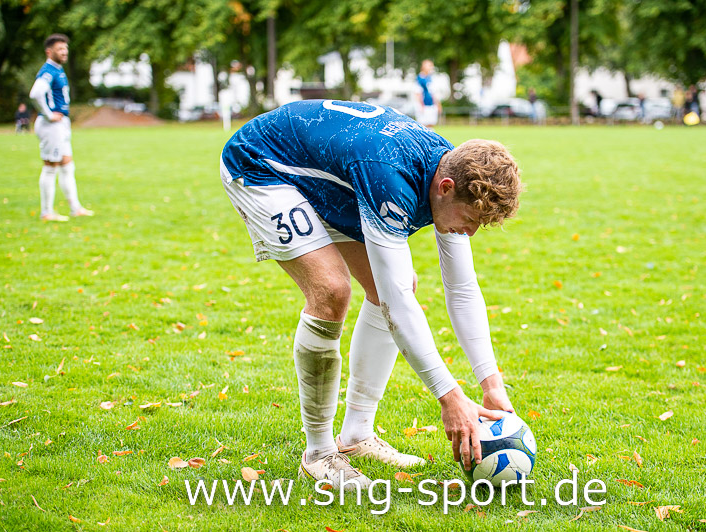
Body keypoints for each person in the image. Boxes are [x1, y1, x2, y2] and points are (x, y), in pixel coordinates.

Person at [221, 99, 521, 489]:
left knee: (389, 286)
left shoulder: (451, 170)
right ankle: (319, 454)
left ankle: (356, 436)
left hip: (327, 171)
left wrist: (491, 384)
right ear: (445, 188)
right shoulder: (391, 179)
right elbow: (399, 304)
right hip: (262, 163)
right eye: (469, 220)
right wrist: (450, 398)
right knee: (331, 291)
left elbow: (461, 288)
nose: (470, 232)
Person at [28, 33, 93, 222]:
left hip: (61, 124)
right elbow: (35, 94)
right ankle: (46, 212)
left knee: (67, 166)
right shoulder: (48, 71)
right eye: (60, 49)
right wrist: (48, 114)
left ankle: (75, 208)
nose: (64, 52)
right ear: (49, 52)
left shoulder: (58, 70)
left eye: (65, 48)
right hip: (51, 125)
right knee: (50, 167)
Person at [415, 60, 442, 128]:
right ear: (423, 66)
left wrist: (438, 104)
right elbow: (418, 93)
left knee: (431, 124)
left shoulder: (430, 78)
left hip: (431, 104)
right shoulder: (420, 78)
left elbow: (433, 93)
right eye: (429, 66)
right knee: (423, 124)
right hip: (424, 105)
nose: (431, 68)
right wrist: (421, 105)